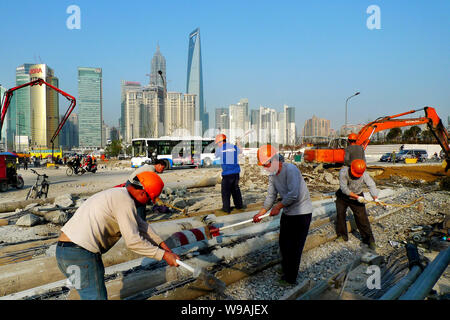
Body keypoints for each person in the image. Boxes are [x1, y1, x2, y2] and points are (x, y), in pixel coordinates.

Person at [56, 171, 180, 300]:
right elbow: (133, 241)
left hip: (64, 252)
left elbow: (141, 225)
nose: (147, 203)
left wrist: (162, 245)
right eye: (149, 200)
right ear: (143, 193)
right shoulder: (124, 201)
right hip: (81, 255)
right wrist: (164, 255)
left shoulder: (118, 195)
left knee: (87, 295)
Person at [253, 145, 313, 286]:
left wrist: (278, 206)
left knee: (295, 247)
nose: (265, 168)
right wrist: (261, 213)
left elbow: (293, 194)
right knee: (284, 244)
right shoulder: (273, 175)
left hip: (301, 213)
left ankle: (290, 279)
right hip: (288, 212)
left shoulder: (290, 170)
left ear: (274, 160)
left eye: (266, 164)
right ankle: (286, 269)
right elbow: (271, 196)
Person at [335, 159, 380, 251]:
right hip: (343, 196)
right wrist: (356, 197)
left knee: (362, 218)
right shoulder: (343, 172)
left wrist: (375, 197)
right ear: (351, 168)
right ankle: (342, 235)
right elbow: (344, 188)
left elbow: (371, 185)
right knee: (340, 215)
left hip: (358, 194)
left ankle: (369, 240)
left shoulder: (364, 174)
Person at [214, 134, 244, 214]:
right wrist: (238, 142)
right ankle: (239, 206)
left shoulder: (219, 149)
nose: (218, 144)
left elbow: (215, 155)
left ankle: (226, 209)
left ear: (221, 142)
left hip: (227, 174)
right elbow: (241, 151)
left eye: (218, 143)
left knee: (226, 192)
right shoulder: (233, 147)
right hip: (236, 173)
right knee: (235, 190)